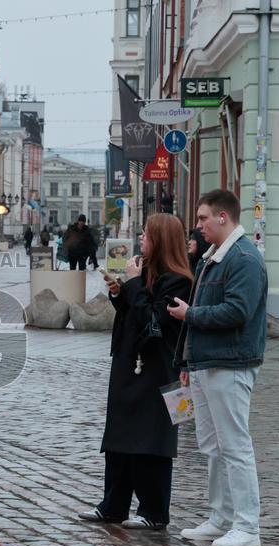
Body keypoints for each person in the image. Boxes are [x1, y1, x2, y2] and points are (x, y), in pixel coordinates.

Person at [78, 213, 193, 530]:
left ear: (161, 241)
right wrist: (120, 292)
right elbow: (132, 314)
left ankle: (154, 511)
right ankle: (113, 504)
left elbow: (153, 323)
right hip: (130, 364)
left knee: (153, 439)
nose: (141, 239)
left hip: (159, 369)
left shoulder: (179, 279)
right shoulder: (147, 274)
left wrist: (131, 285)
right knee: (119, 436)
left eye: (146, 234)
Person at [169, 189, 268, 546]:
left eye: (202, 218)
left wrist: (189, 315)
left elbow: (237, 311)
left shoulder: (243, 258)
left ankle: (247, 525)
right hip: (206, 362)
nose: (198, 226)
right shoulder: (213, 257)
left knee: (235, 445)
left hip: (231, 362)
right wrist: (186, 362)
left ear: (223, 217)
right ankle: (220, 518)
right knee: (211, 446)